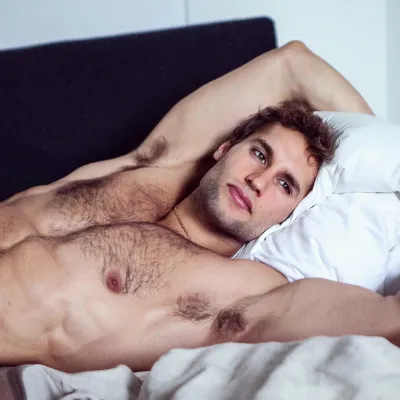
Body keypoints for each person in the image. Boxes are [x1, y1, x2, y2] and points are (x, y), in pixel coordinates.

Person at [1, 41, 397, 374]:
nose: (258, 181)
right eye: (260, 154)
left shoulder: (238, 291)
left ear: (290, 215)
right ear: (225, 147)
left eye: (285, 184)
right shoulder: (150, 168)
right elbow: (292, 63)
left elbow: (382, 317)